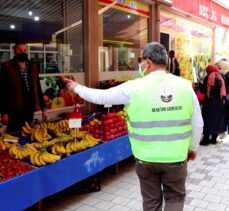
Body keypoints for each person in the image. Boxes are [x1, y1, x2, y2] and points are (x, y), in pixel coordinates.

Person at [65, 42, 203, 211]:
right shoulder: (185, 86)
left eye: (141, 60)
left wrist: (77, 87)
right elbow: (198, 122)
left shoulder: (134, 87)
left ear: (149, 63)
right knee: (175, 198)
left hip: (145, 159)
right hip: (176, 158)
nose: (140, 63)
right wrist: (193, 147)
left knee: (151, 202)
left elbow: (102, 97)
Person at [0, 42, 47, 132]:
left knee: (28, 132)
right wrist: (3, 112)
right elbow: (2, 91)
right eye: (20, 50)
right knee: (14, 133)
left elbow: (38, 88)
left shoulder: (32, 66)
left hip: (29, 108)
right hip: (13, 109)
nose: (23, 52)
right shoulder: (7, 66)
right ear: (15, 52)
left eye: (25, 50)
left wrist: (43, 108)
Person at [199, 64, 226, 146]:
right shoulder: (220, 77)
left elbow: (204, 90)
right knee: (216, 120)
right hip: (219, 102)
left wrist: (200, 84)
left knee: (207, 120)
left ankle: (206, 140)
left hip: (210, 102)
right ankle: (214, 139)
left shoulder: (208, 77)